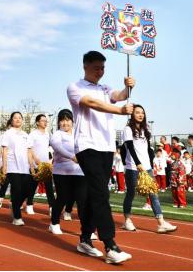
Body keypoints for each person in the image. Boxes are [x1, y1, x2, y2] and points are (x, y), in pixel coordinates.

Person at [67, 51, 133, 263]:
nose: (100, 71)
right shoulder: (75, 87)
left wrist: (128, 86)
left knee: (96, 193)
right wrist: (120, 110)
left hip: (106, 146)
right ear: (85, 66)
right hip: (87, 145)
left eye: (103, 68)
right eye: (96, 67)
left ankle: (85, 238)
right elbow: (93, 104)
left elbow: (120, 96)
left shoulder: (105, 88)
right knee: (101, 193)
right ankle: (110, 245)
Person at [121, 104, 177, 234]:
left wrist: (149, 164)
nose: (140, 115)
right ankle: (127, 220)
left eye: (142, 112)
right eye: (137, 112)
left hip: (147, 168)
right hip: (133, 167)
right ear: (132, 115)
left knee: (154, 194)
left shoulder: (146, 129)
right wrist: (138, 163)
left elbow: (147, 149)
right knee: (131, 194)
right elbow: (129, 147)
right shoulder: (128, 129)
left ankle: (161, 223)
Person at [49, 109, 89, 236]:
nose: (65, 123)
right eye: (62, 120)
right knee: (62, 198)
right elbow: (57, 147)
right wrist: (71, 156)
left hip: (79, 172)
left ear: (72, 121)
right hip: (62, 172)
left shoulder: (79, 134)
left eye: (68, 120)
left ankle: (87, 230)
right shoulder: (57, 134)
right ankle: (54, 223)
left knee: (82, 200)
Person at [1, 112, 33, 226]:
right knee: (17, 190)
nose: (18, 119)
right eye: (15, 118)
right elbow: (4, 150)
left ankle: (14, 204)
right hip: (12, 166)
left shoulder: (25, 134)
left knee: (28, 190)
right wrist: (4, 166)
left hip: (25, 167)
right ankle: (17, 217)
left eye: (20, 118)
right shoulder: (8, 133)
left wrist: (32, 166)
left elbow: (29, 151)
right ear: (11, 120)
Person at [27, 114, 55, 215]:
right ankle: (29, 204)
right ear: (37, 122)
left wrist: (50, 161)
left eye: (46, 120)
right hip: (35, 165)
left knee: (49, 188)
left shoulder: (48, 134)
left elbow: (51, 147)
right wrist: (35, 159)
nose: (45, 122)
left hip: (46, 166)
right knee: (32, 186)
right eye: (43, 120)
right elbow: (29, 149)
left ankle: (52, 207)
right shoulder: (33, 134)